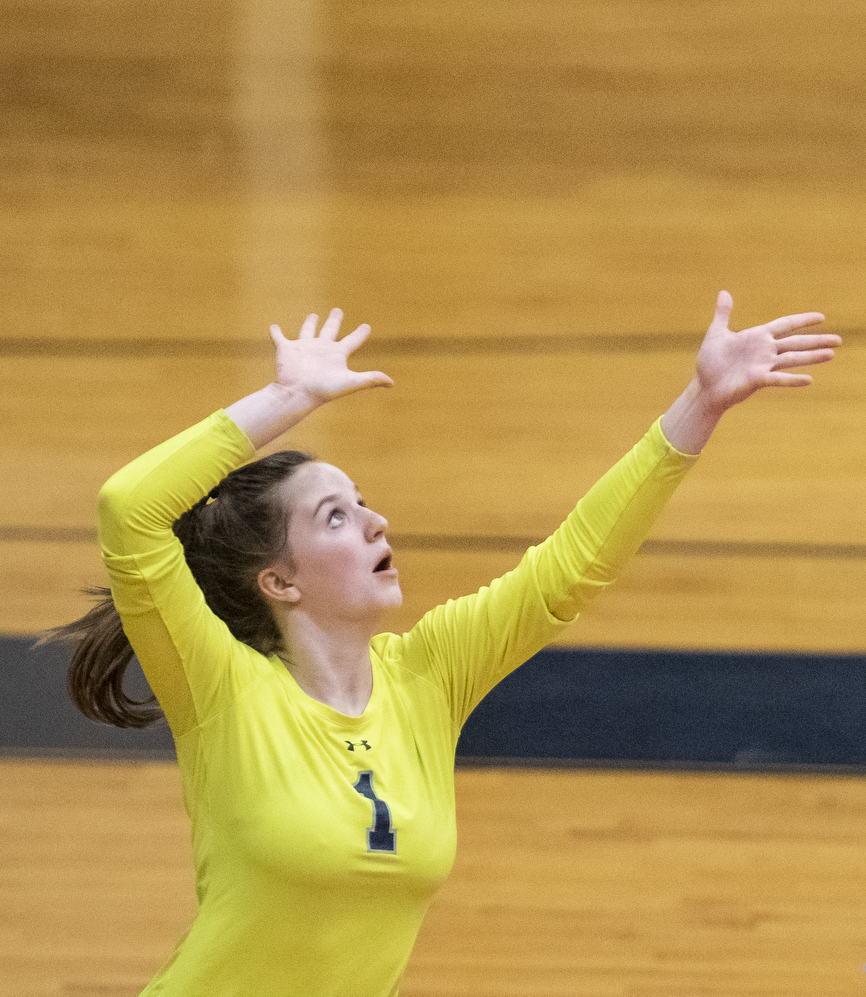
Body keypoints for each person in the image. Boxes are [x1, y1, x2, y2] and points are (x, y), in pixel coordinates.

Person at [56, 292, 838, 997]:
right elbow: (130, 511)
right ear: (280, 582)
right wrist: (286, 399)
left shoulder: (427, 676)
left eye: (362, 502)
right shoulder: (221, 688)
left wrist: (699, 405)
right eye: (334, 516)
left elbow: (569, 570)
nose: (375, 522)